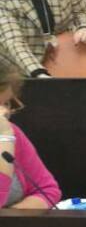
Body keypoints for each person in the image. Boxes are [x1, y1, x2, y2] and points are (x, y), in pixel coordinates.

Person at [0, 67, 61, 208]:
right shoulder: (6, 133)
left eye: (6, 103)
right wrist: (4, 138)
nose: (4, 112)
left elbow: (48, 190)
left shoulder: (12, 132)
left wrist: (15, 217)